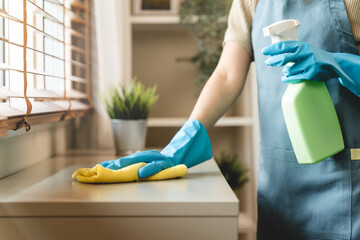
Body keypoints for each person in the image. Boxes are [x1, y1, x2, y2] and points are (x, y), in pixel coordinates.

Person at [97, 0, 360, 239]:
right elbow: (226, 75)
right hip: (280, 190)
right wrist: (182, 142)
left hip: (345, 189)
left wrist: (338, 63)